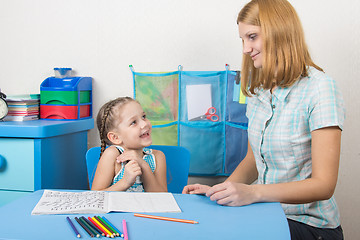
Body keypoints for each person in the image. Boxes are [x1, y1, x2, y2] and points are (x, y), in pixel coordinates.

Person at [182, 0, 345, 239]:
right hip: (266, 213)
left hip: (309, 225)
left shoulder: (320, 88)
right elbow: (252, 160)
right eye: (243, 40)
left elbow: (324, 185)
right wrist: (222, 192)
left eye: (252, 36)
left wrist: (253, 193)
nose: (246, 49)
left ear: (279, 32)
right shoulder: (259, 92)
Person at [91, 96, 167, 192]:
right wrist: (125, 182)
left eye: (143, 117)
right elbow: (95, 195)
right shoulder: (113, 155)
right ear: (116, 137)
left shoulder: (157, 157)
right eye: (133, 122)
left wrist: (144, 166)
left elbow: (162, 198)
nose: (144, 124)